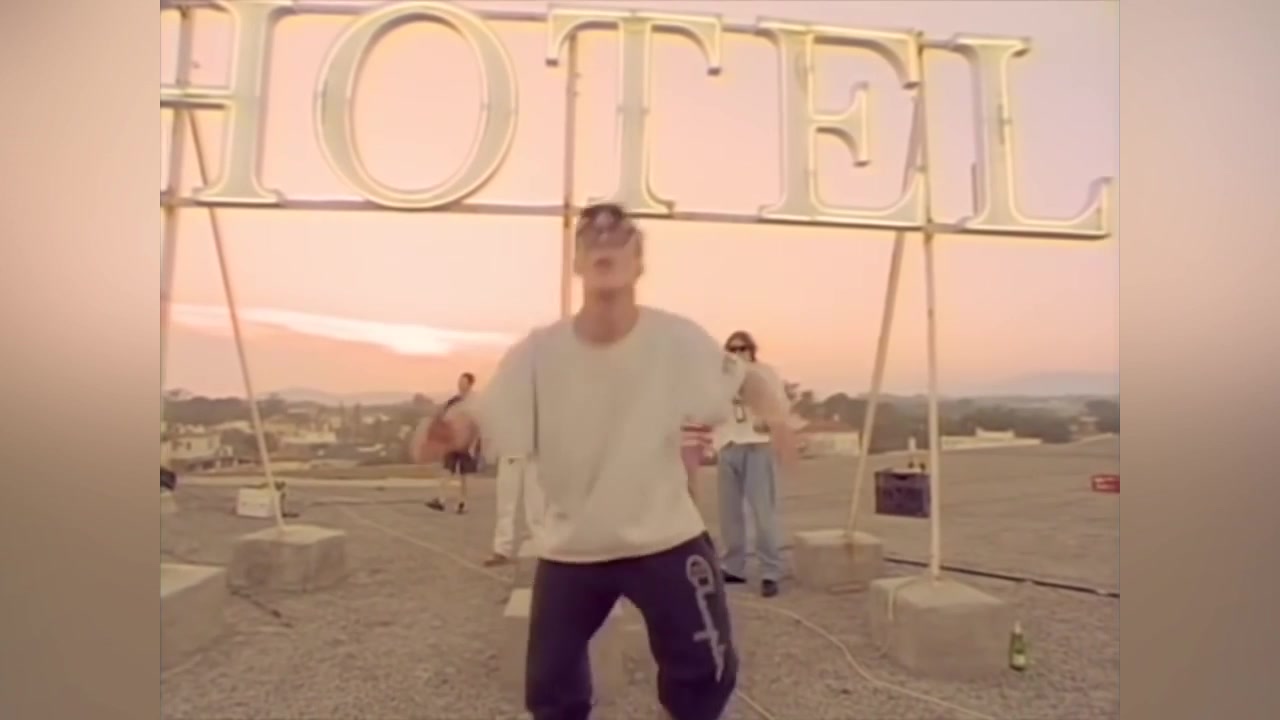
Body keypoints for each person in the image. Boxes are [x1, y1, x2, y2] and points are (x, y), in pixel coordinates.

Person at [419, 203, 797, 720]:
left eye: (619, 234)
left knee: (706, 675)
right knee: (551, 693)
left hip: (664, 538)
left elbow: (743, 378)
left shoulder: (675, 339)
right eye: (590, 235)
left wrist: (779, 417)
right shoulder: (538, 353)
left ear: (639, 261)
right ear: (576, 261)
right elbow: (483, 413)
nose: (603, 238)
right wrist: (449, 430)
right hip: (573, 547)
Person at [714, 331, 789, 598]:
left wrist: (770, 421)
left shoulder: (764, 373)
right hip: (728, 446)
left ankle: (770, 571)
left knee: (763, 512)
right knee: (729, 514)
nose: (738, 354)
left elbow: (781, 405)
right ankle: (733, 566)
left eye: (742, 348)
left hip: (757, 445)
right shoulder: (720, 377)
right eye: (732, 349)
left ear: (751, 350)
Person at [425, 372, 478, 514]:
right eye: (460, 381)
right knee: (447, 470)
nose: (460, 384)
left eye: (463, 382)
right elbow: (445, 418)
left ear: (470, 384)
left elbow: (477, 422)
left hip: (467, 442)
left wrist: (474, 444)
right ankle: (441, 499)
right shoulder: (454, 401)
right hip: (453, 441)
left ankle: (462, 503)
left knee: (464, 475)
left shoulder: (474, 402)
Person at [484, 452, 545, 566]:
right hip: (510, 451)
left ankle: (542, 547)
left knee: (536, 503)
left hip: (535, 453)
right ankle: (502, 549)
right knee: (505, 502)